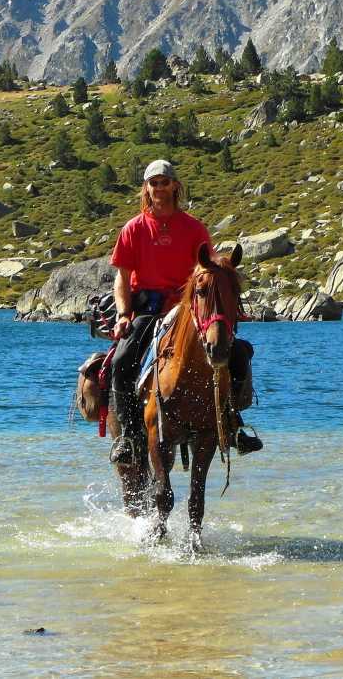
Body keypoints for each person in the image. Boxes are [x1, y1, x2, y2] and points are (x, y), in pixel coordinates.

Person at [108, 159, 260, 465]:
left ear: (175, 186)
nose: (159, 187)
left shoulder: (193, 227)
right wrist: (124, 315)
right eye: (154, 183)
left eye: (165, 182)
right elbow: (122, 278)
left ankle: (233, 423)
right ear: (146, 188)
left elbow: (207, 269)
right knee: (122, 360)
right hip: (149, 310)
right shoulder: (133, 229)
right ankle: (127, 434)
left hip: (189, 308)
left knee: (237, 354)